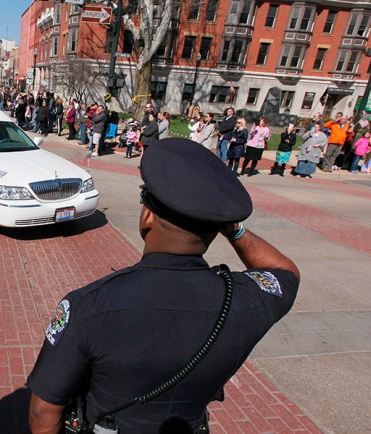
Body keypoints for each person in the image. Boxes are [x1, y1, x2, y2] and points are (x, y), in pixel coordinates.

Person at [27, 137, 300, 434]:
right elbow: (284, 271)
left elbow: (43, 410)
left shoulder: (88, 306)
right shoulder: (244, 300)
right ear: (217, 227)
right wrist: (233, 228)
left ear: (147, 217)